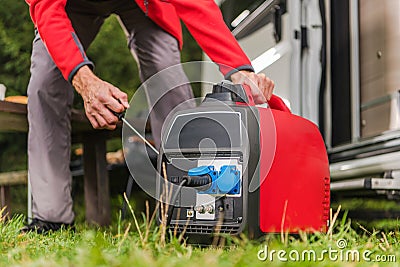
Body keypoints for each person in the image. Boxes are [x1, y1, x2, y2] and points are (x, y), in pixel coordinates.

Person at [21, 0, 275, 233]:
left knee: (168, 75)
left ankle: (190, 207)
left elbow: (197, 5)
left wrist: (238, 69)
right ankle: (51, 217)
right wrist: (85, 80)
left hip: (142, 4)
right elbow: (46, 9)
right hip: (70, 5)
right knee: (45, 83)